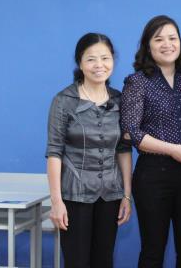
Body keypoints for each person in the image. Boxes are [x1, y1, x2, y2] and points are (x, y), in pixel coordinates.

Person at [121, 15, 181, 268]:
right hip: (153, 175)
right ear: (148, 46)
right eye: (159, 39)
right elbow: (130, 132)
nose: (167, 44)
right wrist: (173, 150)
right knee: (153, 250)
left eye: (172, 38)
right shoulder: (137, 81)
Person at [46, 33, 132, 268]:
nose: (99, 65)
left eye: (105, 58)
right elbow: (54, 152)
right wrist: (56, 202)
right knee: (77, 262)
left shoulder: (120, 100)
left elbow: (124, 149)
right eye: (91, 59)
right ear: (80, 63)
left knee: (104, 261)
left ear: (113, 61)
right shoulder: (64, 101)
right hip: (74, 195)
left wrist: (126, 194)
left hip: (111, 195)